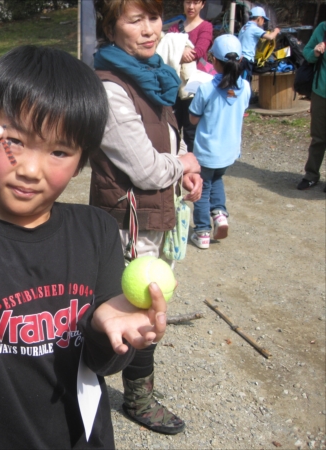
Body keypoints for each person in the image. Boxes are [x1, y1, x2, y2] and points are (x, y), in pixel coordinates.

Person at [0, 45, 170, 448]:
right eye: (16, 141)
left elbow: (104, 361)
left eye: (59, 151)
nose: (30, 169)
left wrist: (108, 331)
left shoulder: (96, 230)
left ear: (81, 162)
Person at [90, 0, 202, 436]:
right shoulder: (109, 87)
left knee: (148, 302)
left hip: (155, 210)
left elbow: (168, 148)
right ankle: (137, 399)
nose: (149, 29)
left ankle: (129, 389)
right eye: (135, 20)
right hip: (127, 219)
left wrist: (185, 173)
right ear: (111, 27)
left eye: (153, 18)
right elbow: (145, 168)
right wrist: (183, 164)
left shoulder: (151, 75)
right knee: (141, 304)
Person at [188, 34, 251, 249]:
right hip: (228, 151)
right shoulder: (246, 87)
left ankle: (203, 232)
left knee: (202, 190)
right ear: (240, 60)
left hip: (207, 151)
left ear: (213, 60)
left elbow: (193, 118)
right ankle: (220, 215)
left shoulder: (206, 89)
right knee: (217, 180)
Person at [168, 0, 214, 151]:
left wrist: (177, 51)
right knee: (172, 127)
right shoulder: (175, 27)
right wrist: (180, 52)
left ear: (202, 4)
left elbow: (199, 51)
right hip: (175, 83)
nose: (191, 7)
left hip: (195, 84)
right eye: (188, 2)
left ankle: (192, 166)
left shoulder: (206, 27)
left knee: (191, 129)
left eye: (195, 3)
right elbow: (165, 49)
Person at [296, 21, 326, 192]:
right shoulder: (323, 28)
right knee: (318, 137)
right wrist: (315, 52)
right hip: (321, 92)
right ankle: (311, 175)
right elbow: (307, 53)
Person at [237, 6, 280, 83]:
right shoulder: (254, 28)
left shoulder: (244, 27)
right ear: (259, 18)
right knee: (245, 84)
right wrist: (276, 31)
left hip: (240, 58)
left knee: (239, 83)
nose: (264, 22)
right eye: (263, 20)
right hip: (246, 59)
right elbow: (270, 37)